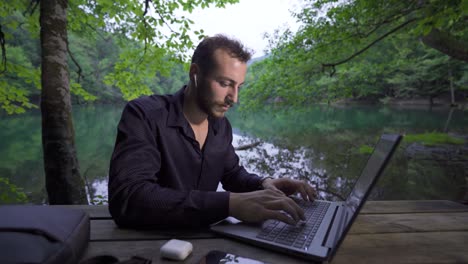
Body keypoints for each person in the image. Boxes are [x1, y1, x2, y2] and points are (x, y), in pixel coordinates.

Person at [108, 34, 317, 229]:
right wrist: (229, 204)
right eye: (225, 83)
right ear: (195, 74)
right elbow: (128, 198)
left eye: (238, 87)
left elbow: (231, 174)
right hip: (152, 245)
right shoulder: (145, 115)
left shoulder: (220, 126)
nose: (233, 98)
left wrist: (264, 183)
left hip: (209, 242)